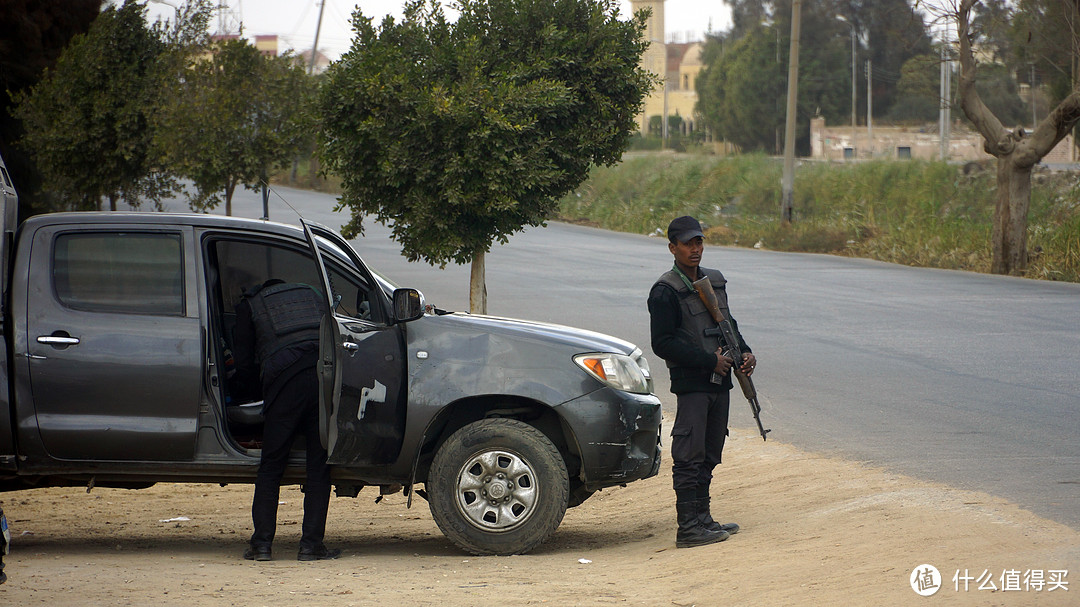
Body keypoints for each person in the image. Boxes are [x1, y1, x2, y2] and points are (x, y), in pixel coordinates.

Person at [647, 216, 757, 549]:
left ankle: (703, 518)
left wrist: (745, 351)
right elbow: (662, 343)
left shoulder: (713, 282)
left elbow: (729, 323)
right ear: (672, 248)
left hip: (720, 381)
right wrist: (710, 360)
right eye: (687, 243)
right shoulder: (665, 291)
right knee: (689, 454)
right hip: (693, 382)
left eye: (699, 242)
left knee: (709, 452)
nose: (695, 249)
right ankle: (688, 528)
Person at [233, 279, 340, 562]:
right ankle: (310, 546)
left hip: (283, 385)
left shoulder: (251, 304)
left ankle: (262, 546)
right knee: (318, 468)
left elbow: (244, 364)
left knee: (271, 466)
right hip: (321, 379)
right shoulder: (311, 294)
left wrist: (250, 390)